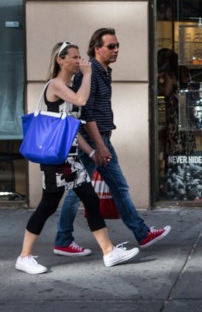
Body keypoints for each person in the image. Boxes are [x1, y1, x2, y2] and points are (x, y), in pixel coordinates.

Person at [15, 41, 139, 274]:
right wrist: (89, 72)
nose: (78, 60)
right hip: (56, 160)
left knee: (91, 200)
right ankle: (24, 256)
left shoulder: (68, 86)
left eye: (79, 56)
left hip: (70, 158)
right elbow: (82, 100)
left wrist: (91, 152)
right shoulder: (56, 84)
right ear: (59, 60)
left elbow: (70, 127)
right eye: (73, 57)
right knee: (47, 205)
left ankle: (109, 251)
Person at [55, 28, 171, 255]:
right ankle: (64, 239)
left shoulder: (103, 71)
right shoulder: (90, 73)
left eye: (117, 45)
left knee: (102, 188)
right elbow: (86, 113)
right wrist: (99, 145)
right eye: (111, 46)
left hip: (101, 138)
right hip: (93, 140)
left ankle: (140, 233)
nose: (116, 50)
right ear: (97, 48)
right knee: (81, 190)